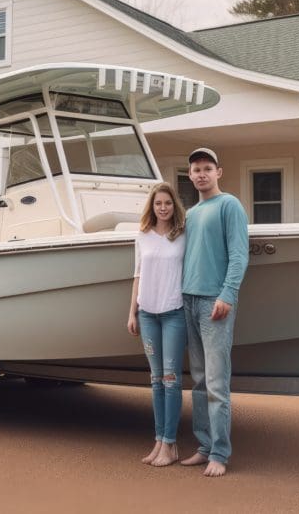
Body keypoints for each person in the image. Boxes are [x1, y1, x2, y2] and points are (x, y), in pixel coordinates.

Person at [179, 147, 249, 477]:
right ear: (190, 175)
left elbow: (239, 255)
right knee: (198, 381)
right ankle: (204, 447)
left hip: (214, 303)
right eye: (196, 169)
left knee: (217, 384)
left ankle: (220, 453)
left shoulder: (229, 205)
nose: (201, 173)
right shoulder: (190, 213)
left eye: (207, 168)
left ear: (218, 172)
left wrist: (228, 294)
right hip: (188, 301)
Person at [127, 181, 188, 467]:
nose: (162, 208)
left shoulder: (183, 235)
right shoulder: (142, 236)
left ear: (174, 205)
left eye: (167, 203)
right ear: (152, 207)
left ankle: (171, 443)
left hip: (174, 312)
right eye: (158, 203)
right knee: (155, 382)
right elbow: (137, 275)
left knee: (171, 380)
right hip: (148, 313)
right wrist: (132, 312)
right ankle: (159, 441)